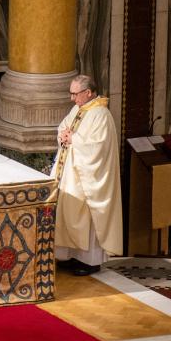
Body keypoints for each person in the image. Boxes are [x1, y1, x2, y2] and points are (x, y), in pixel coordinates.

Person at [53, 74, 124, 276]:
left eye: (75, 94)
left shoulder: (101, 115)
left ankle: (89, 261)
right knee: (69, 213)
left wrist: (73, 139)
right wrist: (63, 135)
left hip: (89, 177)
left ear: (89, 92)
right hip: (71, 173)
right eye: (71, 93)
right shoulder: (77, 109)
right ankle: (68, 256)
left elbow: (98, 148)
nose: (72, 98)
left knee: (87, 215)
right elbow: (64, 127)